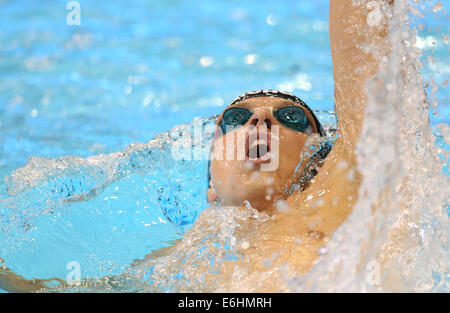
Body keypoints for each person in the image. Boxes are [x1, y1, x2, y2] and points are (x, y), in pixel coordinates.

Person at [0, 0, 392, 292]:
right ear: (211, 187)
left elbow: (363, 41)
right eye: (236, 119)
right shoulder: (183, 263)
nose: (260, 120)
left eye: (290, 118)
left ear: (322, 162)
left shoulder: (345, 196)